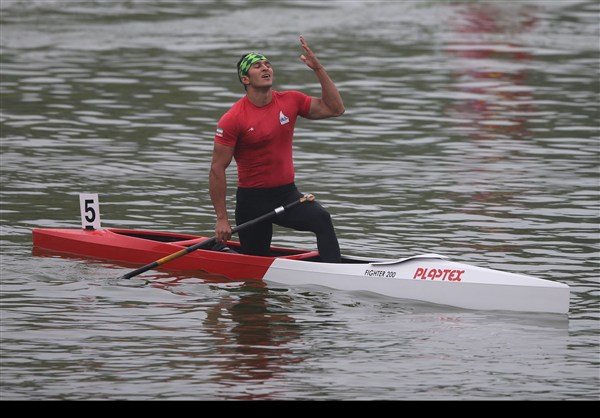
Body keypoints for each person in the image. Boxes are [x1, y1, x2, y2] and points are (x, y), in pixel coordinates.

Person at [209, 35, 345, 262]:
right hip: (252, 202)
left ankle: (338, 273)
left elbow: (336, 109)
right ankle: (219, 251)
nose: (265, 68)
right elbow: (217, 169)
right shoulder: (233, 118)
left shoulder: (290, 101)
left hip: (287, 195)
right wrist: (221, 218)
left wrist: (317, 68)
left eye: (268, 64)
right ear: (245, 78)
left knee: (321, 218)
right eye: (257, 65)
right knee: (254, 263)